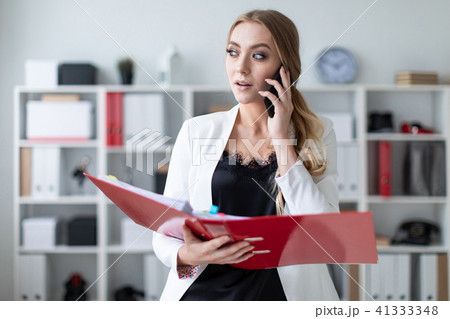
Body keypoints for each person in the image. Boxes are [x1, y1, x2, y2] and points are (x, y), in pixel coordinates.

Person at [152, 9, 340, 301]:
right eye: (233, 52)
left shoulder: (318, 132)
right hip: (202, 296)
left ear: (284, 68)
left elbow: (326, 235)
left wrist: (281, 140)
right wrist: (188, 256)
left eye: (258, 56)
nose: (240, 68)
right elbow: (167, 230)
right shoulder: (196, 131)